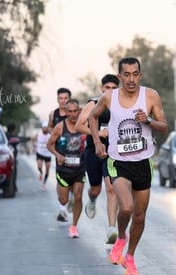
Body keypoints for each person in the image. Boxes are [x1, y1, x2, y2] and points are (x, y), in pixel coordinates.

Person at [88, 57, 168, 275]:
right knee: (126, 207)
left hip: (143, 163)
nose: (131, 79)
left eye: (135, 74)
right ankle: (121, 238)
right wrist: (97, 142)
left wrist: (148, 121)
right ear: (120, 76)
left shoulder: (150, 96)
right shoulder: (109, 97)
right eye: (127, 74)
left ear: (140, 75)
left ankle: (130, 256)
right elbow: (92, 118)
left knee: (140, 216)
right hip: (119, 162)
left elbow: (163, 126)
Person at [75, 74, 120, 244]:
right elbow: (79, 125)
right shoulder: (93, 104)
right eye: (107, 88)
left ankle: (111, 229)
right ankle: (92, 200)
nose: (110, 91)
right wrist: (98, 133)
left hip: (113, 153)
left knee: (111, 188)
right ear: (101, 88)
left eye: (114, 88)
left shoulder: (122, 104)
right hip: (94, 151)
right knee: (96, 188)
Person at [47, 99, 86, 238]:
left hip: (79, 169)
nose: (73, 114)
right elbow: (49, 144)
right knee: (63, 200)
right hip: (64, 170)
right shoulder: (59, 127)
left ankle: (74, 227)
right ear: (66, 112)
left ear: (80, 111)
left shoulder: (84, 125)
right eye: (70, 111)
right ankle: (66, 200)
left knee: (78, 196)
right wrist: (58, 155)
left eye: (76, 111)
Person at [48, 87, 73, 221]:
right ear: (57, 99)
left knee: (75, 181)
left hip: (76, 152)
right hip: (60, 152)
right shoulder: (54, 114)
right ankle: (62, 209)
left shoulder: (75, 113)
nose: (63, 101)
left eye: (66, 98)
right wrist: (50, 130)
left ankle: (73, 198)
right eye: (60, 98)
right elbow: (50, 128)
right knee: (61, 180)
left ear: (70, 98)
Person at [31, 121, 52, 190]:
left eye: (47, 128)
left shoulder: (50, 135)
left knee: (48, 169)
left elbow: (54, 142)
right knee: (39, 166)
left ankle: (44, 184)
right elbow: (33, 139)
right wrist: (34, 146)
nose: (45, 129)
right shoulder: (38, 134)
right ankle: (41, 172)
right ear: (42, 128)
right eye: (44, 128)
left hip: (47, 154)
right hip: (39, 153)